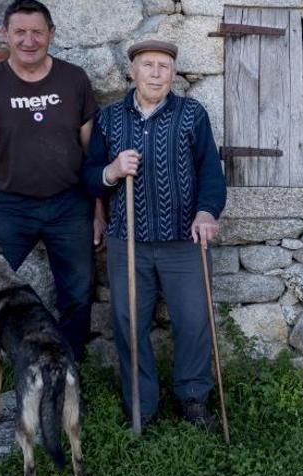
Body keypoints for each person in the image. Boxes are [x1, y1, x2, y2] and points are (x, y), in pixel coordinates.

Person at [0, 0, 103, 447]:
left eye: (37, 31)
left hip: (70, 204)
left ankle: (62, 389)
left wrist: (99, 209)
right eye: (19, 32)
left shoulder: (74, 80)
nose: (29, 40)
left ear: (50, 33)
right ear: (5, 36)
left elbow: (93, 155)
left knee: (78, 297)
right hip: (13, 206)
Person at [81, 40, 226, 430]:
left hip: (184, 240)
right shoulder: (110, 119)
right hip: (128, 242)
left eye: (164, 65)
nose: (157, 72)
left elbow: (212, 174)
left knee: (194, 322)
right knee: (130, 323)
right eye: (148, 65)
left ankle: (194, 398)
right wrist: (111, 171)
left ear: (174, 74)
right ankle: (141, 403)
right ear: (133, 72)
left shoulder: (192, 114)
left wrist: (206, 212)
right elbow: (88, 175)